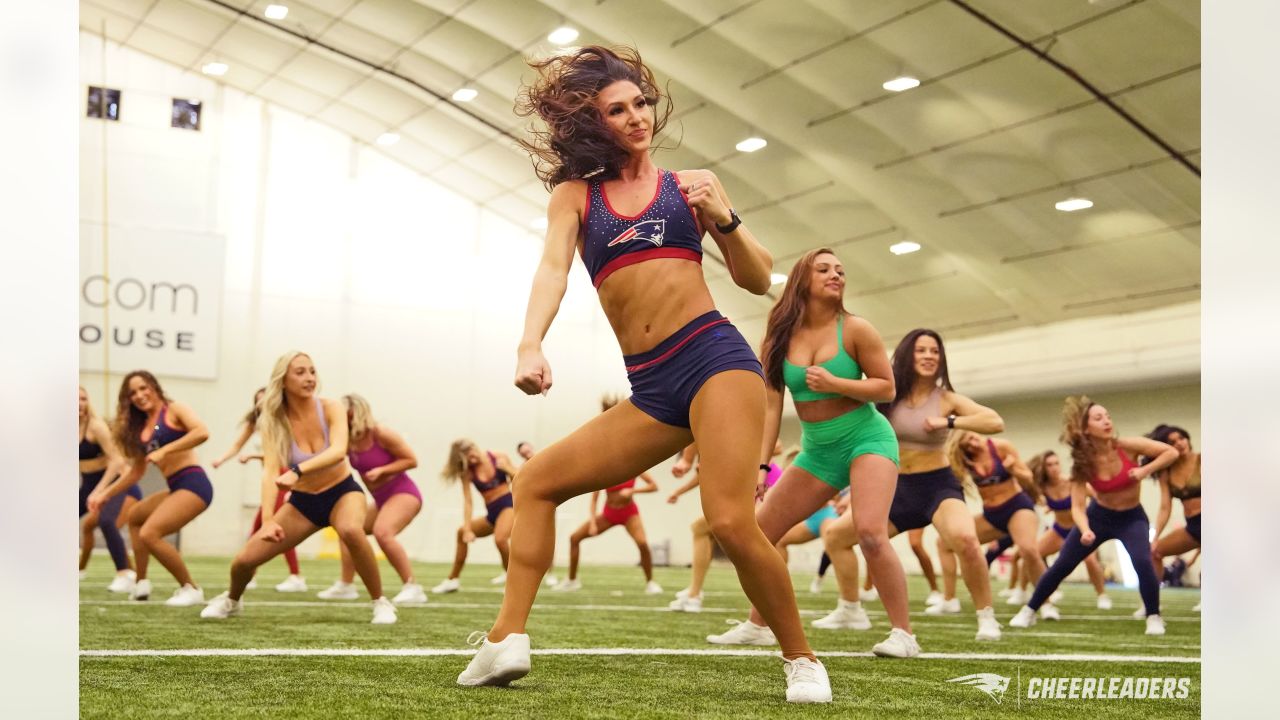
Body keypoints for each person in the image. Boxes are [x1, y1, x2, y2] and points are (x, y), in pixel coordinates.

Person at [456, 46, 830, 702]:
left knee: (731, 519)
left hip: (715, 359)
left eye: (640, 105)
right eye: (616, 110)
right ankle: (504, 641)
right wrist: (529, 344)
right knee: (537, 483)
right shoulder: (577, 197)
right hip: (653, 387)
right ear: (592, 124)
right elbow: (552, 270)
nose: (635, 118)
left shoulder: (691, 187)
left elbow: (757, 278)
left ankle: (802, 660)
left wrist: (726, 217)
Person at [702, 247, 915, 658]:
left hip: (866, 438)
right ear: (804, 279)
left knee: (870, 532)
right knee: (759, 532)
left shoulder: (856, 329)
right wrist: (762, 465)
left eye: (840, 270)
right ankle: (758, 625)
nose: (836, 275)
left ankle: (903, 634)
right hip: (818, 450)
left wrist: (838, 383)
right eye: (824, 269)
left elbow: (886, 388)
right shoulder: (781, 336)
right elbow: (770, 405)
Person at [200, 352, 396, 624]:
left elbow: (339, 451)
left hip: (342, 491)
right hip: (304, 502)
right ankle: (232, 600)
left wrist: (297, 471)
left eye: (312, 371)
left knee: (351, 530)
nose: (309, 378)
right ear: (283, 380)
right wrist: (268, 520)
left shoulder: (330, 407)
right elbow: (269, 473)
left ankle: (381, 602)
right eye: (300, 372)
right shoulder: (273, 422)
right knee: (244, 560)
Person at [862, 329, 1006, 641]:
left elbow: (994, 421)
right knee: (841, 536)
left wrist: (950, 422)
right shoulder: (888, 395)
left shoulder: (947, 399)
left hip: (937, 485)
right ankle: (850, 608)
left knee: (966, 540)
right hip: (896, 485)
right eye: (921, 350)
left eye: (935, 351)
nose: (929, 356)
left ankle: (987, 617)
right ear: (907, 355)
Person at [1009, 397, 1177, 635]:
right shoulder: (1083, 462)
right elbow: (1078, 506)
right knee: (1061, 566)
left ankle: (1153, 616)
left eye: (1107, 416)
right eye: (1099, 418)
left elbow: (1170, 453)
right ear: (1086, 428)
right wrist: (1085, 528)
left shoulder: (1128, 446)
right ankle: (1029, 610)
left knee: (1142, 561)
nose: (1107, 421)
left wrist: (1144, 470)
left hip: (1131, 518)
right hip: (1099, 517)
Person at [87, 371, 212, 606]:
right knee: (135, 517)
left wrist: (166, 450)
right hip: (175, 487)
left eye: (143, 388)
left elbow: (202, 432)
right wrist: (105, 493)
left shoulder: (174, 409)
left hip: (194, 483)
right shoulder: (142, 427)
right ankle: (141, 582)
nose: (139, 395)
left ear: (154, 387)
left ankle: (191, 588)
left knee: (150, 533)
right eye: (132, 393)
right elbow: (136, 471)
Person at [313, 393, 425, 605]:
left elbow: (411, 460)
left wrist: (383, 470)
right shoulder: (347, 441)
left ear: (357, 412)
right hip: (380, 498)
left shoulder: (380, 433)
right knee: (347, 529)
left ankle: (413, 587)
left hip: (404, 493)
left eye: (347, 414)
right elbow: (327, 461)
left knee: (384, 533)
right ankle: (346, 585)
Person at [930, 433, 1052, 619]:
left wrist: (1013, 470)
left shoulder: (1001, 446)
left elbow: (1028, 478)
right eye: (967, 443)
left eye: (972, 437)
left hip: (1017, 508)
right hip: (992, 516)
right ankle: (949, 599)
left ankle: (1046, 604)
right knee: (943, 543)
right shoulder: (964, 461)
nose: (974, 442)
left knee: (1028, 550)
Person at [553, 397, 663, 594]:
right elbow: (595, 496)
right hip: (608, 514)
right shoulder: (605, 462)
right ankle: (571, 580)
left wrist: (632, 490)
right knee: (574, 538)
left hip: (629, 513)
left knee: (643, 544)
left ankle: (650, 583)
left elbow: (654, 486)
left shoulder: (635, 462)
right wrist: (594, 521)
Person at [667, 440, 782, 612]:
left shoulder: (735, 428)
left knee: (704, 529)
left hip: (765, 484)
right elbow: (704, 474)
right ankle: (694, 592)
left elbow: (776, 446)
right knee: (703, 529)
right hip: (757, 484)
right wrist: (679, 491)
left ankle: (695, 595)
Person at [211, 387, 306, 593]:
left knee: (276, 528)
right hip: (270, 481)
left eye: (266, 399)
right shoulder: (255, 423)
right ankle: (251, 572)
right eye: (258, 400)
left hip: (283, 477)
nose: (262, 403)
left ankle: (294, 576)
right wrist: (221, 459)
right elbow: (237, 445)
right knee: (262, 529)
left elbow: (282, 456)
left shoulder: (283, 423)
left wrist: (253, 457)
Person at [432, 440, 518, 593]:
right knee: (461, 532)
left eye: (471, 455)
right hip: (492, 512)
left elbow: (519, 480)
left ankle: (513, 581)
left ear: (474, 447)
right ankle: (453, 580)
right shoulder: (468, 472)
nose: (472, 461)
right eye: (467, 460)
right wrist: (467, 529)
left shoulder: (498, 457)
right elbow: (468, 501)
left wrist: (507, 468)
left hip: (508, 505)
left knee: (500, 539)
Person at [78, 386, 141, 593]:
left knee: (107, 521)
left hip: (118, 483)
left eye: (83, 399)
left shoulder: (95, 426)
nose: (80, 404)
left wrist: (100, 492)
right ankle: (78, 570)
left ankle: (125, 573)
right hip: (88, 485)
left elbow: (117, 461)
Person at [1029, 451, 1110, 609]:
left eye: (1056, 463)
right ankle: (1043, 591)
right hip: (1059, 530)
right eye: (1049, 465)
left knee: (1090, 560)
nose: (1054, 468)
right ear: (1043, 468)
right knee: (1034, 553)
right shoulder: (1043, 487)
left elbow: (1097, 496)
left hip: (1079, 529)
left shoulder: (1072, 482)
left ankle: (1102, 595)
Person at [1147, 425, 1201, 582]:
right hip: (1193, 527)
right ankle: (1151, 603)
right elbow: (1165, 507)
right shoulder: (1166, 472)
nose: (1179, 443)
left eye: (1181, 438)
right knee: (1154, 552)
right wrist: (1156, 536)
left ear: (1188, 440)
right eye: (1172, 442)